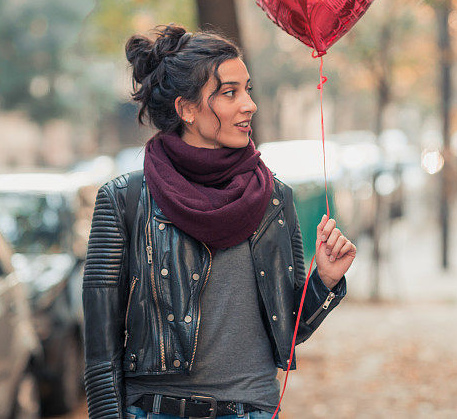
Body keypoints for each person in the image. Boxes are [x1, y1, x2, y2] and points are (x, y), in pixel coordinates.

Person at [82, 25, 356, 419]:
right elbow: (100, 351)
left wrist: (324, 282)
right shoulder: (125, 200)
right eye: (230, 93)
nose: (249, 105)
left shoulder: (275, 198)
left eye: (247, 89)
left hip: (252, 410)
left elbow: (289, 328)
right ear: (186, 109)